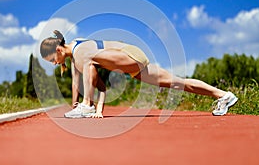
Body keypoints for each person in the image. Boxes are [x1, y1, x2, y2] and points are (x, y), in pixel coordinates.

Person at [40, 30, 238, 118]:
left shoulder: (80, 52)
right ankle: (224, 96)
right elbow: (79, 81)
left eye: (52, 60)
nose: (54, 64)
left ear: (58, 50)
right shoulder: (77, 51)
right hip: (134, 63)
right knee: (178, 83)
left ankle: (86, 108)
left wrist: (86, 106)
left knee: (90, 58)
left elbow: (81, 78)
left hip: (130, 55)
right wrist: (77, 105)